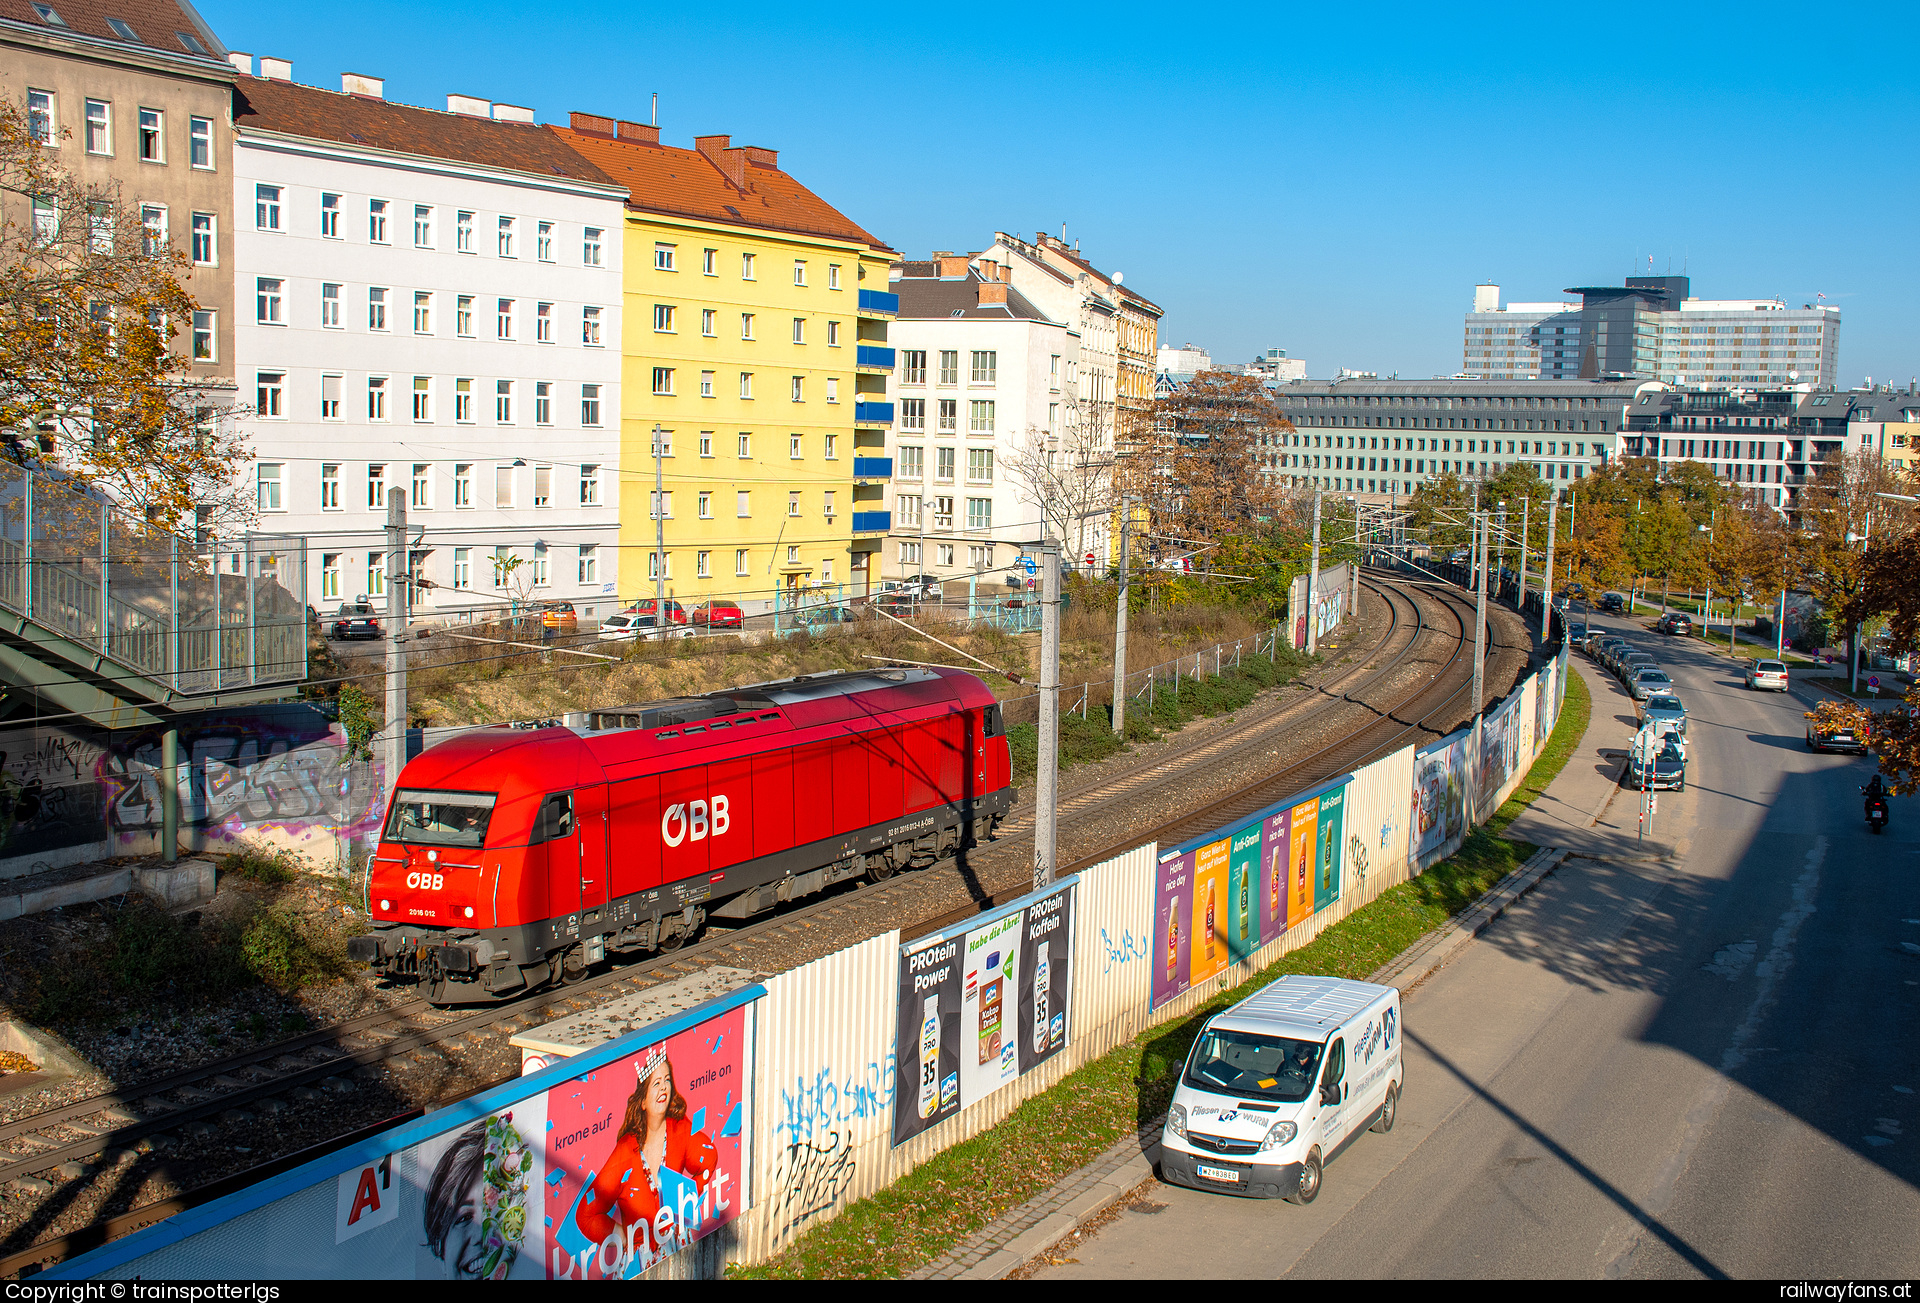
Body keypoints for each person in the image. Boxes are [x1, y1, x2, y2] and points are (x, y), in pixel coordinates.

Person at [572, 1047, 718, 1263]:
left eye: (667, 1080)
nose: (664, 1088)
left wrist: (687, 1197)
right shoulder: (626, 1151)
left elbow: (709, 1157)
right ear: (642, 1101)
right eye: (656, 1083)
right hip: (639, 1265)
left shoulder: (679, 1129)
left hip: (678, 1252)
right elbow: (585, 1215)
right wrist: (621, 1236)